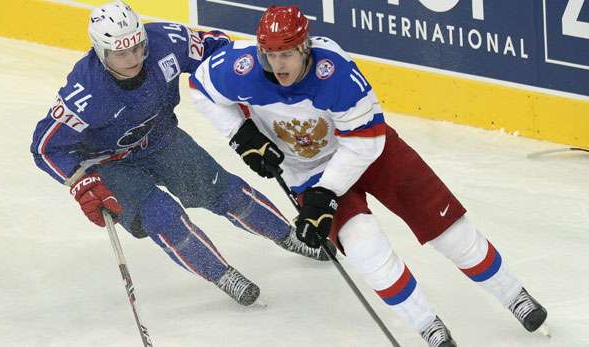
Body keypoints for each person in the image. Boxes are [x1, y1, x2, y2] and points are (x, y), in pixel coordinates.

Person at [188, 4, 548, 345]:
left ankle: (514, 294)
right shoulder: (241, 68)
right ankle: (427, 325)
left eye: (287, 54)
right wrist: (241, 134)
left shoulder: (336, 73)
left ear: (305, 48)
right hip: (309, 171)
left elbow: (365, 142)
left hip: (374, 154)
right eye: (271, 55)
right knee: (366, 250)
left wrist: (326, 191)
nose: (278, 64)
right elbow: (201, 87)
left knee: (448, 230)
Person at [30, 1, 335, 308]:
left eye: (137, 47)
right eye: (121, 53)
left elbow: (218, 50)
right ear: (101, 51)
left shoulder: (167, 41)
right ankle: (223, 275)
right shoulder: (85, 92)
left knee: (224, 190)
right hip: (109, 165)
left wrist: (245, 83)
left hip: (161, 139)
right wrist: (82, 182)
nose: (134, 58)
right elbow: (45, 147)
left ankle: (288, 236)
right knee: (163, 215)